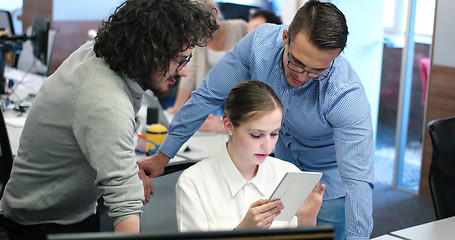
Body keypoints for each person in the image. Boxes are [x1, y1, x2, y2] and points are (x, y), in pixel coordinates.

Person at [139, 0, 374, 239]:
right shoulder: (260, 47)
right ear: (285, 38)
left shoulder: (346, 95)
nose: (303, 76)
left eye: (317, 71)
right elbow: (207, 96)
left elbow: (358, 180)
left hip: (329, 181)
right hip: (279, 169)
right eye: (297, 63)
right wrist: (163, 155)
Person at [0, 0, 218, 239]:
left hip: (57, 211)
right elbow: (126, 207)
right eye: (179, 59)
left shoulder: (99, 54)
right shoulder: (105, 100)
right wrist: (125, 180)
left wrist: (125, 171)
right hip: (45, 226)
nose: (184, 71)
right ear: (148, 51)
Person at [175, 80, 325, 231]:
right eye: (256, 135)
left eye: (274, 133)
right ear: (229, 126)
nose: (267, 146)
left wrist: (307, 219)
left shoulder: (288, 174)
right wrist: (242, 232)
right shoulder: (193, 183)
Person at [166, 0, 247, 133]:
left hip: (237, 97)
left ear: (216, 14)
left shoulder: (239, 28)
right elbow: (190, 71)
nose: (202, 33)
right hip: (211, 94)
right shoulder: (199, 38)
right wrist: (177, 107)